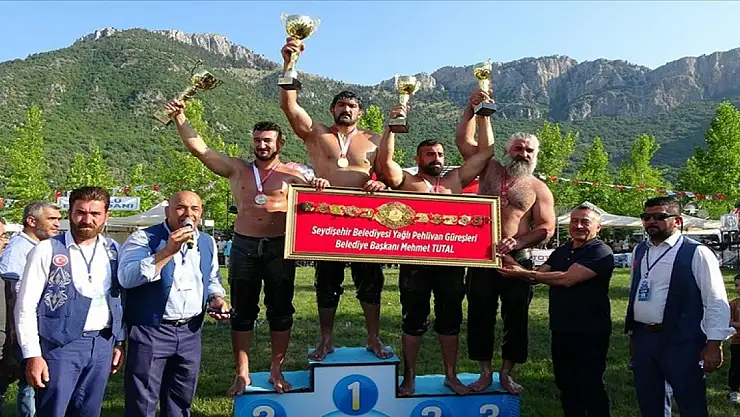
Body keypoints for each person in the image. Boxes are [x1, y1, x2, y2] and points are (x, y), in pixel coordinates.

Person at [163, 100, 329, 394]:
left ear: (280, 143)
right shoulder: (237, 169)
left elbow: (320, 198)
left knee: (281, 311)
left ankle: (276, 369)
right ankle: (242, 372)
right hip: (244, 246)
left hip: (280, 247)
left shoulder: (295, 174)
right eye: (257, 140)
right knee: (242, 312)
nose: (261, 145)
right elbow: (200, 149)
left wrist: (318, 185)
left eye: (267, 140)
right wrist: (180, 117)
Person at [280, 37, 391, 361]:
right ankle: (325, 340)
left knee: (370, 282)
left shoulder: (374, 139)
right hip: (325, 217)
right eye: (341, 105)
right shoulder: (317, 134)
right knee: (327, 282)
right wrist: (289, 64)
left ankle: (373, 338)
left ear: (360, 112)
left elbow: (388, 174)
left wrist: (380, 186)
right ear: (332, 109)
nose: (346, 109)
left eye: (352, 106)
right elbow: (289, 107)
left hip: (364, 219)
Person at [375, 100, 493, 396]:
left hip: (451, 262)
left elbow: (486, 153)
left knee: (450, 321)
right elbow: (384, 164)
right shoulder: (407, 180)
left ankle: (451, 376)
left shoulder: (455, 179)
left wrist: (478, 112)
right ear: (418, 158)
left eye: (440, 153)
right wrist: (391, 127)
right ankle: (409, 377)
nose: (436, 158)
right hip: (415, 262)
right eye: (430, 154)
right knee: (413, 321)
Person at [455, 91, 556, 393]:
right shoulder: (489, 168)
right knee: (479, 315)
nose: (523, 154)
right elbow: (463, 141)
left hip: (517, 261)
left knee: (516, 318)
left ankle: (506, 373)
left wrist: (517, 242)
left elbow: (547, 227)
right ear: (507, 150)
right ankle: (484, 372)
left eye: (529, 150)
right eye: (518, 148)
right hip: (481, 256)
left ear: (535, 156)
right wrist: (472, 109)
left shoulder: (538, 187)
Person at [15, 187, 125, 417]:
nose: (87, 219)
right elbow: (25, 306)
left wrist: (119, 341)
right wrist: (32, 354)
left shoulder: (114, 250)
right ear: (70, 213)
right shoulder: (46, 249)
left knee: (88, 411)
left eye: (95, 214)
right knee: (53, 411)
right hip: (60, 346)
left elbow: (119, 298)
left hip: (103, 343)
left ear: (106, 216)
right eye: (80, 212)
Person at [118, 190, 229, 417]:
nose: (188, 214)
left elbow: (211, 279)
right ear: (167, 211)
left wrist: (216, 298)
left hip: (190, 332)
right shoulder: (143, 238)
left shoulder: (206, 241)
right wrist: (167, 251)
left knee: (181, 397)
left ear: (201, 213)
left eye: (194, 209)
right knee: (143, 399)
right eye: (180, 208)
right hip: (152, 329)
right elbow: (126, 278)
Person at [499, 204, 614, 416]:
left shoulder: (600, 251)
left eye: (585, 222)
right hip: (561, 327)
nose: (578, 226)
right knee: (566, 383)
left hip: (590, 330)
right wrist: (509, 261)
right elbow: (538, 275)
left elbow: (567, 279)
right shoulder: (563, 250)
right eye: (574, 221)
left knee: (590, 383)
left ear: (599, 227)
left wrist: (523, 274)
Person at [625, 196, 735, 416]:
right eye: (646, 217)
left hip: (682, 340)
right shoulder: (640, 250)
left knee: (690, 402)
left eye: (659, 216)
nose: (651, 221)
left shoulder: (697, 252)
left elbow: (715, 299)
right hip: (644, 338)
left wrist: (714, 344)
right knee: (649, 401)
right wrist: (633, 335)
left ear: (677, 220)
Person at [0, 202, 61, 417]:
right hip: (18, 332)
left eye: (58, 218)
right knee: (25, 381)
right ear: (31, 221)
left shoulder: (44, 247)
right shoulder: (18, 251)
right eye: (51, 219)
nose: (57, 223)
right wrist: (13, 336)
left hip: (36, 329)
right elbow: (10, 297)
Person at [728, 275, 740, 404]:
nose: (738, 288)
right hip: (737, 342)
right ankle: (734, 391)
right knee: (736, 367)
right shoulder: (734, 304)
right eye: (736, 285)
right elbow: (729, 322)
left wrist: (735, 324)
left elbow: (732, 323)